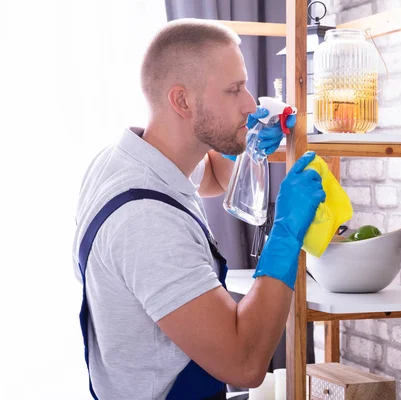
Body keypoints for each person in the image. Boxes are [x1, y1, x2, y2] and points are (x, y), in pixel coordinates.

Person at [72, 18, 325, 400]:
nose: (250, 104)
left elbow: (214, 179)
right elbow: (244, 363)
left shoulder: (131, 161)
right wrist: (286, 232)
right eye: (234, 90)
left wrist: (244, 144)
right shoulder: (146, 222)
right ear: (182, 100)